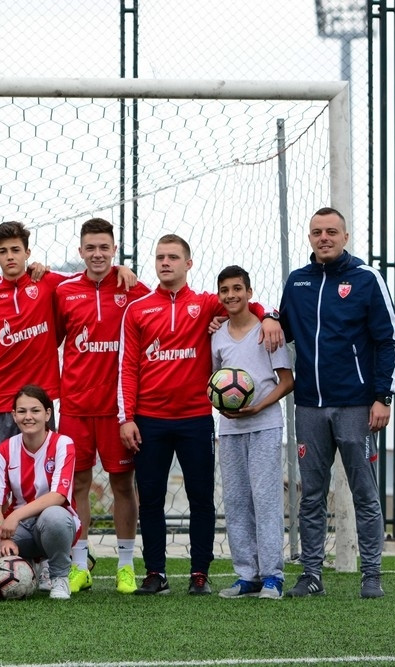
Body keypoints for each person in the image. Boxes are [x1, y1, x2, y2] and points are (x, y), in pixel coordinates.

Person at [118, 233, 282, 595]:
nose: (165, 263)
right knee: (151, 497)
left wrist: (269, 315)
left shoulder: (208, 304)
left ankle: (199, 574)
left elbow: (243, 304)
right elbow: (127, 366)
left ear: (188, 264)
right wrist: (126, 417)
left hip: (195, 418)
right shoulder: (139, 309)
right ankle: (156, 573)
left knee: (202, 498)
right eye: (160, 257)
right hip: (149, 419)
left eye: (173, 257)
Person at [279, 207, 395, 599]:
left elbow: (389, 341)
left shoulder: (366, 279)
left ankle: (371, 574)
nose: (324, 238)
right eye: (317, 232)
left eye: (332, 231)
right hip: (309, 406)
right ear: (310, 237)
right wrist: (265, 316)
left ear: (345, 237)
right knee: (311, 494)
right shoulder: (297, 282)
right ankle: (311, 575)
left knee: (364, 492)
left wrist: (383, 397)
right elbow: (282, 328)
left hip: (357, 407)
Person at [54, 218, 150, 594]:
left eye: (104, 248)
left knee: (123, 484)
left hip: (118, 410)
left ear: (114, 250)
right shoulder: (63, 291)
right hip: (77, 407)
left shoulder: (134, 289)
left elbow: (166, 297)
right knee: (77, 484)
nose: (97, 254)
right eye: (90, 248)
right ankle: (80, 564)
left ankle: (125, 565)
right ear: (81, 252)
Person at [211, 265, 294, 600]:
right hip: (230, 430)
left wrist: (259, 406)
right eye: (225, 291)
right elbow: (216, 384)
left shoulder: (267, 331)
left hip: (264, 425)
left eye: (237, 289)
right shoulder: (216, 336)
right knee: (236, 501)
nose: (231, 295)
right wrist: (221, 406)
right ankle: (247, 575)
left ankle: (272, 575)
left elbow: (287, 381)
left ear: (249, 292)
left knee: (266, 499)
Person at [0, 385, 78, 600]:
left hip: (53, 521)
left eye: (35, 410)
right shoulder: (4, 449)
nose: (28, 417)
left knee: (54, 517)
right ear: (13, 415)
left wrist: (14, 516)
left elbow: (58, 496)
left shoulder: (63, 444)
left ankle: (59, 576)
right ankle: (28, 566)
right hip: (21, 528)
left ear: (48, 414)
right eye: (21, 411)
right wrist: (3, 537)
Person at [0, 221, 67, 469]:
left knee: (43, 478)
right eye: (3, 251)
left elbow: (86, 279)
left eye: (16, 250)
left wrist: (119, 271)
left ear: (27, 253)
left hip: (39, 401)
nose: (10, 256)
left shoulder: (47, 282)